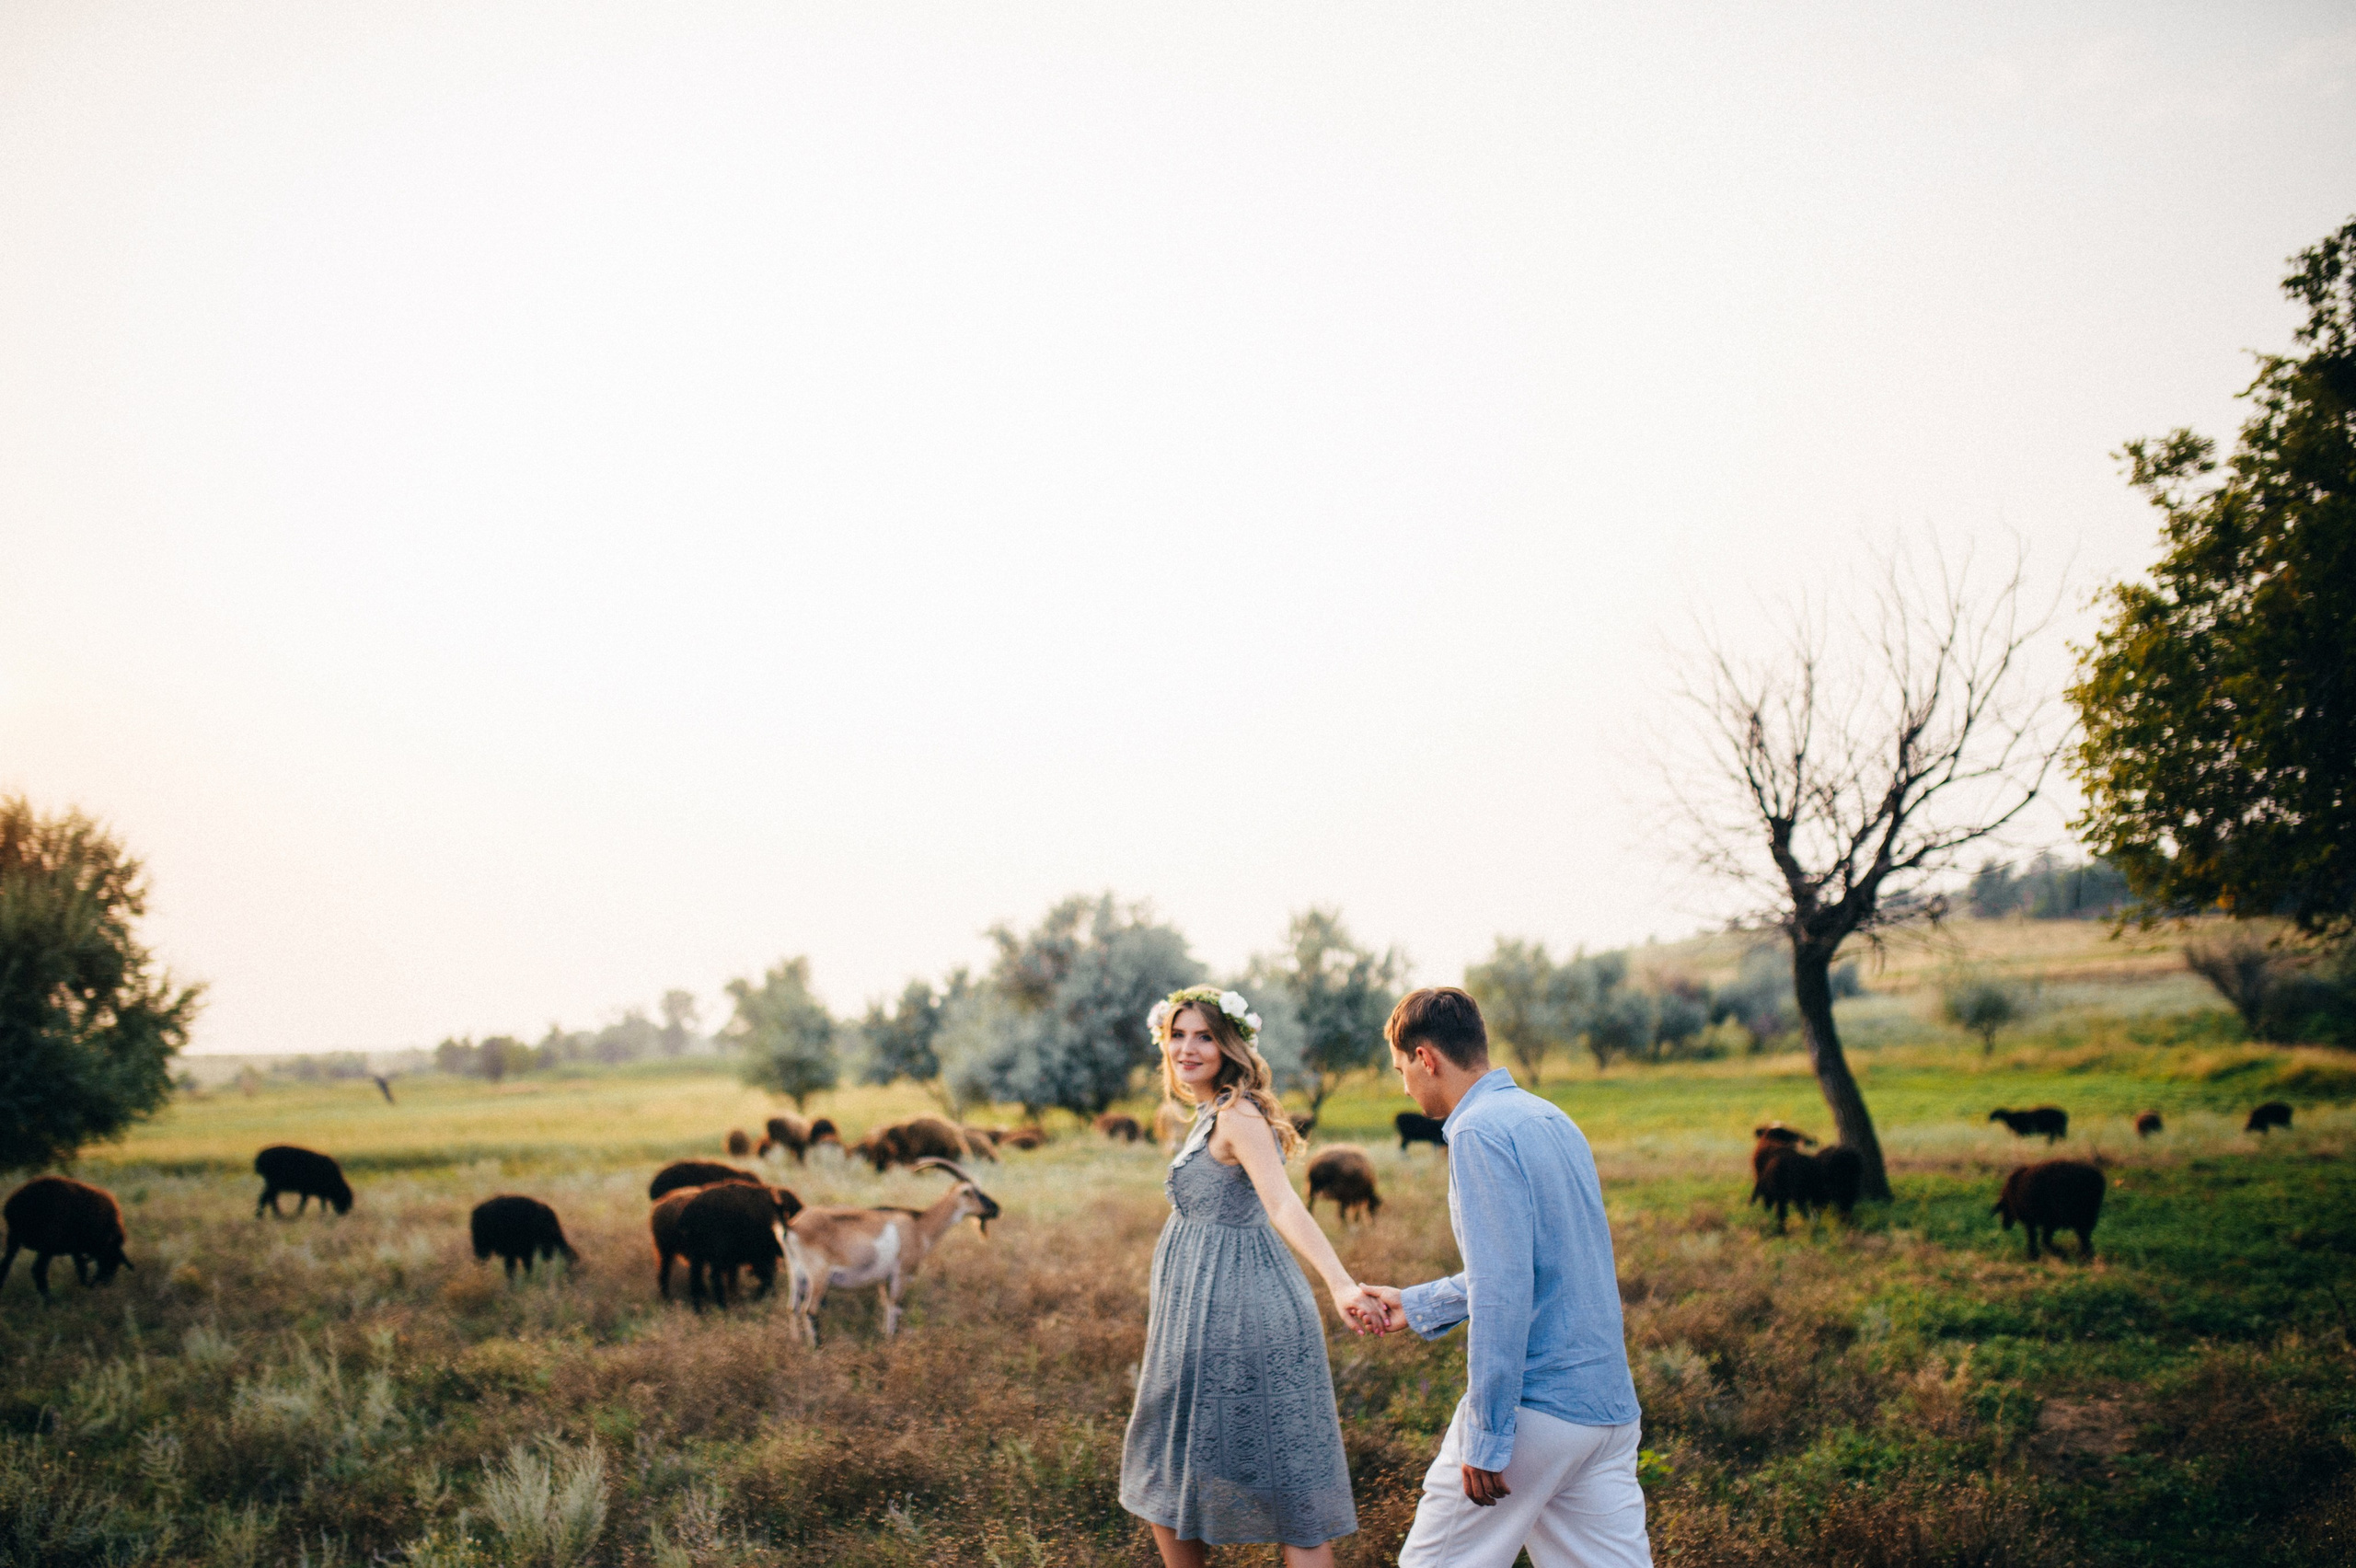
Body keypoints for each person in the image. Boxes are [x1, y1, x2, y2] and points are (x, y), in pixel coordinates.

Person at [1359, 986, 1652, 1568]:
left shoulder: (1476, 1131)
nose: (1405, 1087)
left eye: (1400, 1070)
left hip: (1536, 1413)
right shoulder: (1551, 1117)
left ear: (1425, 1058)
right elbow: (1542, 1264)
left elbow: (1502, 1291)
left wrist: (1488, 1434)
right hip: (1606, 1413)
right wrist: (1417, 1304)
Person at [1119, 985, 1380, 1567]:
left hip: (1242, 1312)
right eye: (1177, 1035)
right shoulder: (1211, 1111)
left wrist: (1340, 1283)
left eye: (1204, 1037)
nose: (1187, 1048)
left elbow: (1283, 1203)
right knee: (1171, 1465)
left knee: (1285, 1489)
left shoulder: (1238, 1115)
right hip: (1203, 1312)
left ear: (1230, 1046)